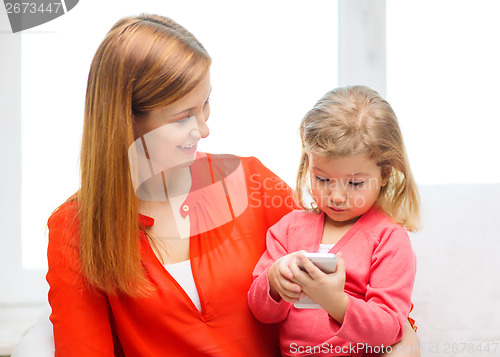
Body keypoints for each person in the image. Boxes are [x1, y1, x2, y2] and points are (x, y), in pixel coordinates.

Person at [44, 14, 420, 357]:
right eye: (182, 117)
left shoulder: (251, 182)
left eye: (205, 104)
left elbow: (366, 289)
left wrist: (404, 342)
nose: (204, 129)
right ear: (126, 121)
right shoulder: (75, 228)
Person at [248, 85, 421, 357]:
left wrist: (336, 302)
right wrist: (273, 281)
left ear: (385, 173)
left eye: (354, 183)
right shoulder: (288, 229)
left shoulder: (388, 238)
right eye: (322, 179)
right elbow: (261, 313)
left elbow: (390, 329)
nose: (336, 196)